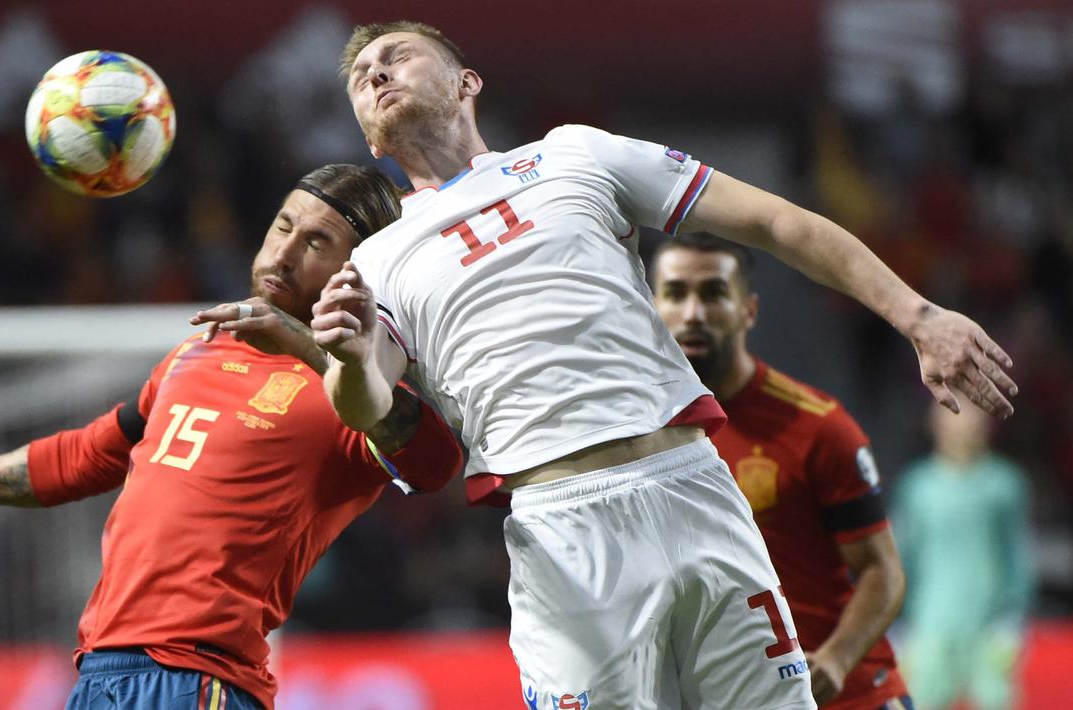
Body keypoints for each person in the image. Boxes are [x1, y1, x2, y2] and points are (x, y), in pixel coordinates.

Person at [299, 20, 1019, 710]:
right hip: (562, 531)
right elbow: (362, 404)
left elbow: (774, 221)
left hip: (693, 490)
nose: (375, 73)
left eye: (395, 55)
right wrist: (354, 356)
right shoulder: (376, 259)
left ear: (465, 82)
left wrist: (917, 316)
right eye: (361, 77)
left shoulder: (575, 154)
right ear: (368, 134)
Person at [0, 163, 465, 710]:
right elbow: (84, 455)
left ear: (355, 274)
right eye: (283, 227)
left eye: (316, 244)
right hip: (101, 670)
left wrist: (306, 346)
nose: (282, 254)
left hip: (197, 677)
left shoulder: (357, 386)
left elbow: (435, 462)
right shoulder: (194, 354)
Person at [653, 232, 910, 709]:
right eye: (676, 293)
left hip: (848, 696)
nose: (693, 313)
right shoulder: (634, 433)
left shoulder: (818, 426)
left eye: (712, 293)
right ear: (651, 307)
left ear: (748, 310)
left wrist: (836, 658)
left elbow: (883, 570)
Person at [892, 403, 1033, 710]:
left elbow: (1017, 556)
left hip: (988, 624)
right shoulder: (918, 487)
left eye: (973, 417)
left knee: (995, 700)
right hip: (930, 623)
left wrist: (1013, 621)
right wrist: (898, 624)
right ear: (935, 424)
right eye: (953, 416)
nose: (964, 426)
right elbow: (903, 557)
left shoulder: (1004, 484)